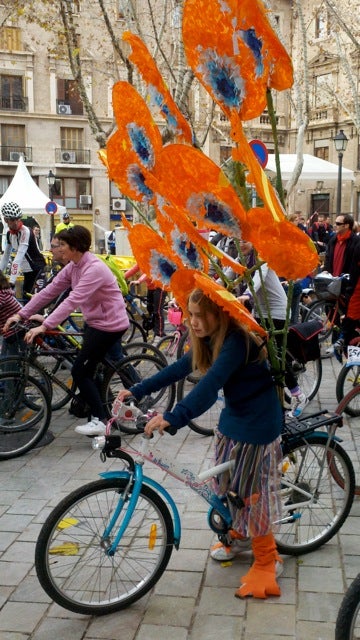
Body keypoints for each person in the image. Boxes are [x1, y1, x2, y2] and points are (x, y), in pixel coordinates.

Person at [114, 288, 283, 600]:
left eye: (199, 315)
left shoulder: (236, 340)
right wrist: (138, 388)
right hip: (233, 419)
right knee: (226, 484)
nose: (192, 321)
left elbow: (209, 386)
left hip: (258, 423)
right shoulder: (209, 338)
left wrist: (174, 417)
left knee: (251, 495)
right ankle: (238, 531)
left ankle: (266, 560)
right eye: (189, 314)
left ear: (218, 314)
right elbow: (180, 368)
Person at [3, 225, 130, 436]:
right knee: (90, 370)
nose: (58, 249)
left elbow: (73, 300)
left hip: (109, 325)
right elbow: (50, 291)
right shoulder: (74, 266)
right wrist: (21, 315)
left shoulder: (94, 268)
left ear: (75, 247)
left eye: (62, 245)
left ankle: (101, 420)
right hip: (94, 322)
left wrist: (45, 325)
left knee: (79, 370)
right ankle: (96, 410)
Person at [236, 240, 308, 417]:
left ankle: (299, 395)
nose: (241, 244)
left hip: (277, 312)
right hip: (260, 312)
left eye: (245, 240)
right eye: (237, 240)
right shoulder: (241, 259)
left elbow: (258, 278)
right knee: (256, 353)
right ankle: (271, 396)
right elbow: (229, 271)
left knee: (275, 356)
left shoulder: (262, 258)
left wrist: (246, 295)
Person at [0, 202, 46, 301]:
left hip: (38, 269)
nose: (16, 222)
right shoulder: (9, 234)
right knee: (26, 301)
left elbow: (19, 257)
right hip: (27, 271)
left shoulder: (26, 231)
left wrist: (12, 282)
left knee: (34, 302)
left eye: (18, 219)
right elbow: (5, 257)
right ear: (6, 220)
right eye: (12, 220)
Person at [125, 263, 167, 338]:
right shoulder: (141, 260)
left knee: (157, 311)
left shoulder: (151, 258)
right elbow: (132, 270)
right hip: (151, 287)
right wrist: (120, 277)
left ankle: (160, 334)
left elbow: (149, 273)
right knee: (150, 309)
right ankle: (155, 330)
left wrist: (139, 281)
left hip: (160, 286)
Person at [0, 272, 23, 357]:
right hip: (14, 330)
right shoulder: (3, 292)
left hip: (16, 332)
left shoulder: (1, 296)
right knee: (4, 363)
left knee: (10, 366)